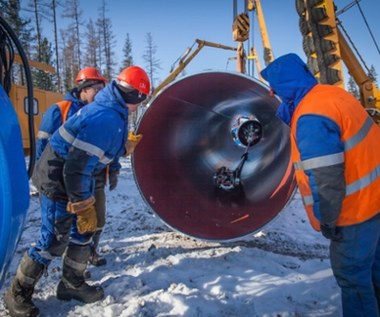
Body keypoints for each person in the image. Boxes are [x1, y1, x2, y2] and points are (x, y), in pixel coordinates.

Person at [4, 66, 150, 317]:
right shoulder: (105, 117)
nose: (140, 105)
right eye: (141, 100)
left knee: (84, 231)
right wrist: (81, 205)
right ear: (132, 95)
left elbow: (98, 154)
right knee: (53, 239)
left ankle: (72, 283)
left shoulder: (118, 110)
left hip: (77, 174)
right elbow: (75, 167)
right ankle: (17, 293)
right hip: (57, 177)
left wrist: (122, 150)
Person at [260, 53, 380, 317]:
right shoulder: (331, 96)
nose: (272, 94)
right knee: (374, 270)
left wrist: (327, 219)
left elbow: (326, 178)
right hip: (375, 203)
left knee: (353, 279)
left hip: (354, 213)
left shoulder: (311, 118)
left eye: (274, 88)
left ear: (283, 86)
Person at [34, 67, 115, 268]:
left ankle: (88, 253)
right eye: (96, 88)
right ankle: (67, 264)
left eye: (102, 88)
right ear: (83, 89)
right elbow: (43, 147)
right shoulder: (59, 110)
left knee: (96, 219)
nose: (100, 93)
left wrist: (113, 169)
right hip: (62, 178)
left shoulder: (100, 113)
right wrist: (43, 178)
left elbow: (107, 144)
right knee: (64, 226)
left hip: (93, 176)